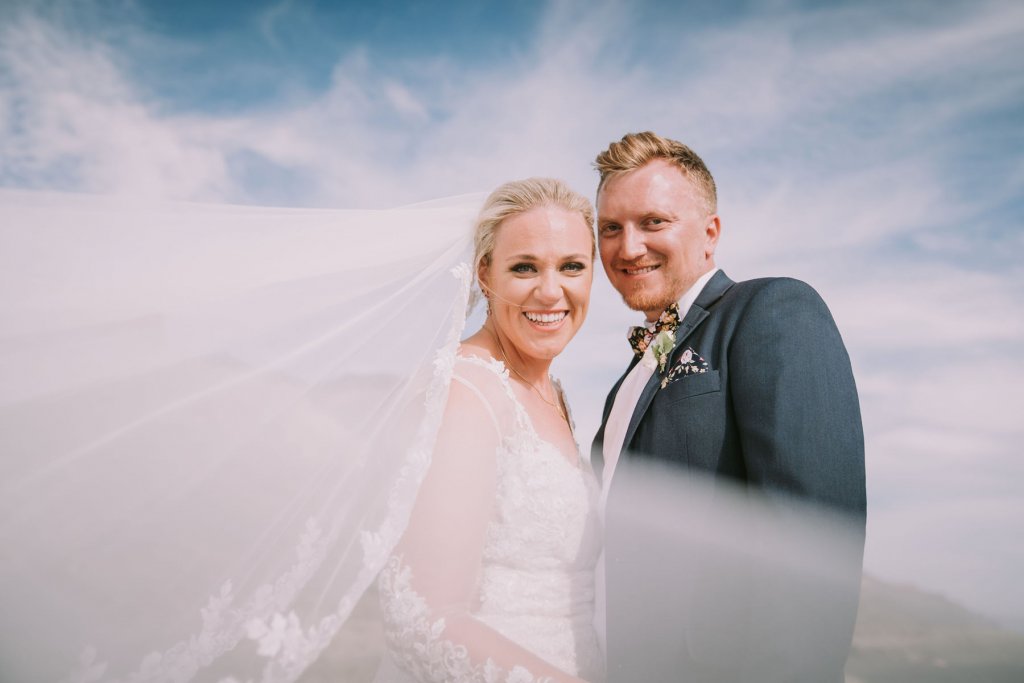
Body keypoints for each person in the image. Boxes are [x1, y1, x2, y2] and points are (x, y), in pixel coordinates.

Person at [591, 132, 866, 681]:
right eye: (611, 228)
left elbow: (811, 540)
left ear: (710, 233)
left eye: (653, 222)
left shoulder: (771, 311)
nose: (627, 247)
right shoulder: (624, 381)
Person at [374, 178, 604, 683]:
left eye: (571, 266)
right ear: (485, 273)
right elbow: (427, 617)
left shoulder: (552, 393)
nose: (550, 290)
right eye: (524, 267)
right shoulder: (466, 392)